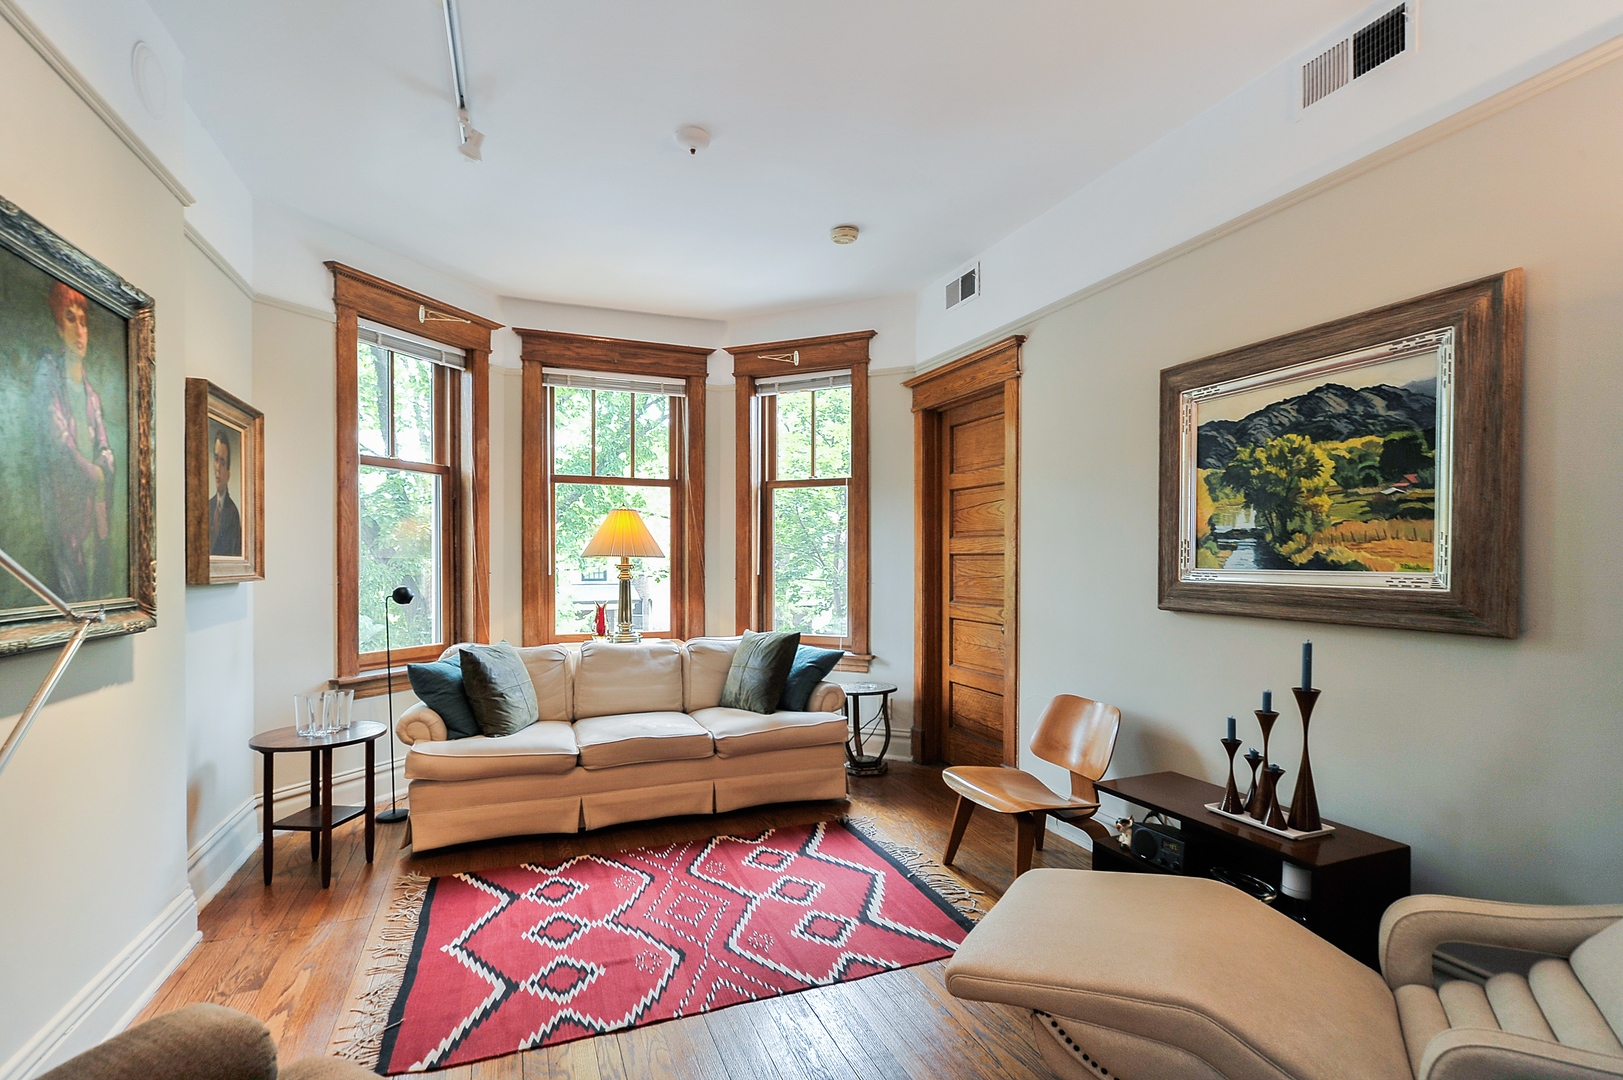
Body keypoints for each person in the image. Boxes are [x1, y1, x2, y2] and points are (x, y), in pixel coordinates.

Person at [36, 282, 115, 601]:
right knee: (69, 589)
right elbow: (60, 444)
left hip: (95, 515)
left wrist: (103, 468)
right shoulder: (48, 379)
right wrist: (93, 472)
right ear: (59, 327)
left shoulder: (91, 397)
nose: (79, 331)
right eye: (70, 319)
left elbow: (105, 449)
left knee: (96, 588)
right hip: (65, 514)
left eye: (83, 322)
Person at [209, 432, 242, 556]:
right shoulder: (207, 507)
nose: (218, 468)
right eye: (216, 459)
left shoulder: (233, 513)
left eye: (222, 462)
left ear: (228, 474)